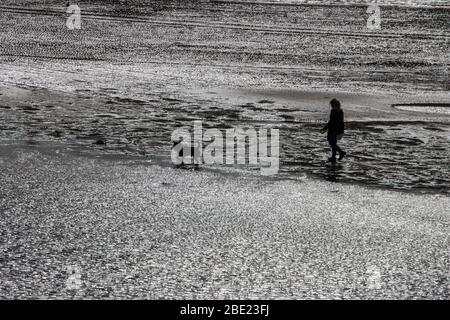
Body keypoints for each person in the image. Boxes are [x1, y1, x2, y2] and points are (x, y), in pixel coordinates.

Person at [320, 98, 346, 163]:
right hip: (331, 129)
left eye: (332, 105)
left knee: (333, 143)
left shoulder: (340, 112)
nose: (331, 106)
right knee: (331, 143)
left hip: (335, 130)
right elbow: (331, 121)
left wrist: (340, 131)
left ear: (336, 104)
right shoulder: (332, 111)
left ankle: (337, 155)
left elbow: (340, 122)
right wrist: (325, 128)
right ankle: (338, 154)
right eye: (331, 105)